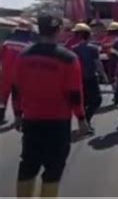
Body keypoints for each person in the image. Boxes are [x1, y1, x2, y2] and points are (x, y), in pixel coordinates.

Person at [12, 14, 88, 197]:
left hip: (31, 120)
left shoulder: (24, 56)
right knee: (53, 169)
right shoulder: (68, 58)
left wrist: (17, 114)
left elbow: (16, 88)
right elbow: (74, 93)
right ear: (59, 30)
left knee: (28, 165)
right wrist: (81, 119)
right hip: (58, 122)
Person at [71, 23, 109, 133]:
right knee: (97, 100)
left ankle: (83, 124)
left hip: (78, 79)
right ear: (88, 35)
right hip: (91, 78)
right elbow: (98, 64)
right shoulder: (93, 49)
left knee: (83, 102)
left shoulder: (73, 48)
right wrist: (104, 76)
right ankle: (86, 122)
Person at [0, 20, 35, 124]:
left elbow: (1, 57)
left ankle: (0, 116)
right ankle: (18, 118)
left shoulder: (7, 42)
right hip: (20, 76)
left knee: (2, 96)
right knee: (18, 97)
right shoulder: (29, 45)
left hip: (5, 74)